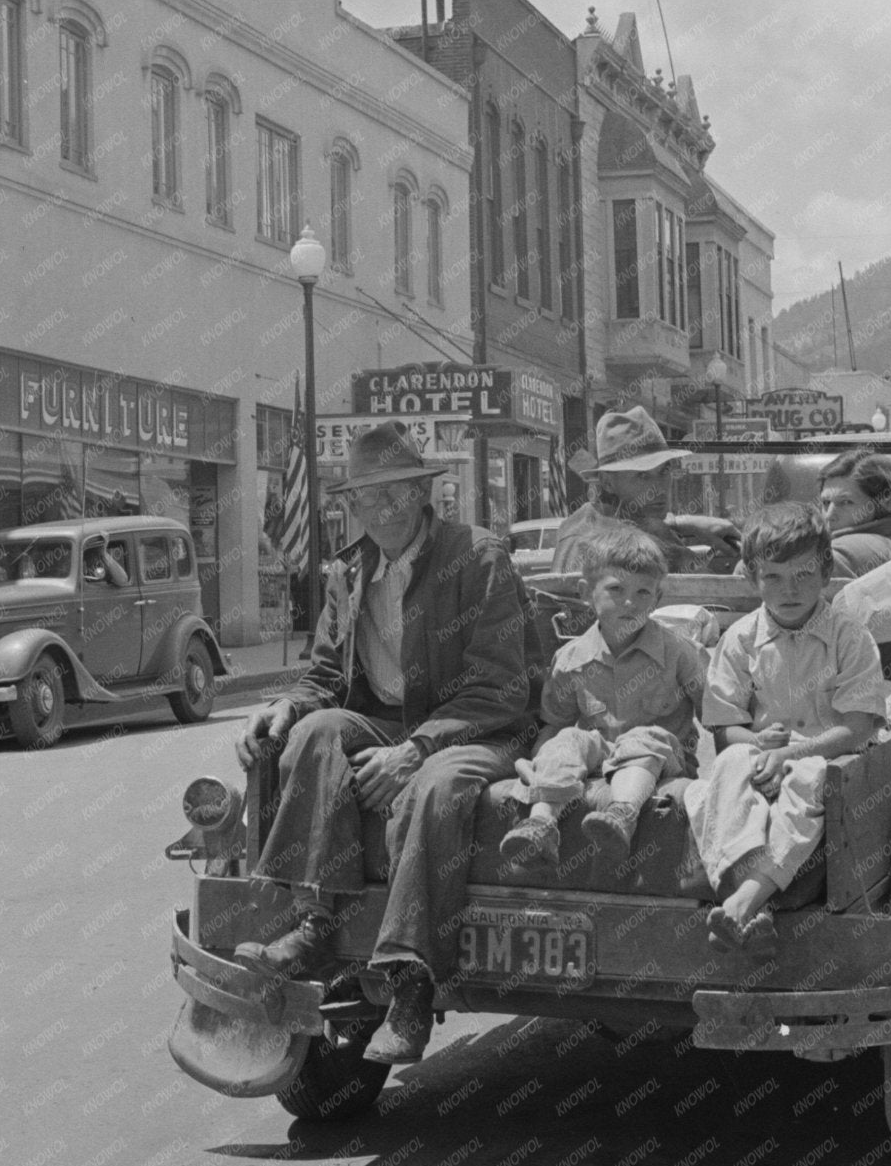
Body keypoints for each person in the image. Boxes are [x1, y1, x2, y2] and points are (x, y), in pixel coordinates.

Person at [233, 423, 532, 1068]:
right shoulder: (348, 570)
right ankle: (314, 922)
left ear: (422, 493)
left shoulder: (478, 557)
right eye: (365, 496)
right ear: (350, 504)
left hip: (479, 728)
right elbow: (324, 674)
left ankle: (411, 984)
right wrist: (288, 704)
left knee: (435, 785)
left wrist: (416, 749)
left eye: (394, 491)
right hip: (391, 723)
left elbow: (501, 689)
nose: (380, 507)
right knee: (314, 732)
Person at [687, 501, 887, 948]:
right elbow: (725, 730)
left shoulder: (849, 637)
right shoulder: (740, 639)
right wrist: (758, 741)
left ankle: (744, 901)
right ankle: (746, 900)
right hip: (762, 756)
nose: (789, 589)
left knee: (807, 780)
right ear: (751, 577)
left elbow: (858, 727)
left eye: (803, 574)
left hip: (827, 755)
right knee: (727, 769)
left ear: (826, 571)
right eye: (773, 577)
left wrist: (792, 754)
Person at [499, 531, 708, 884]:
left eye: (643, 592)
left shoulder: (678, 653)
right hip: (600, 758)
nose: (630, 603)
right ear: (585, 592)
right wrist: (542, 758)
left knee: (643, 737)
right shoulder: (571, 659)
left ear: (657, 598)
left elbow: (714, 716)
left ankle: (622, 815)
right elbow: (554, 723)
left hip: (661, 760)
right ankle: (541, 824)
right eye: (616, 589)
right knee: (567, 739)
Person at [549, 407, 700, 578]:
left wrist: (682, 523)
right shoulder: (640, 540)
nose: (658, 488)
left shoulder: (578, 522)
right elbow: (711, 585)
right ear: (608, 483)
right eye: (642, 475)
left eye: (664, 471)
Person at [815, 450, 891, 577]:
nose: (829, 515)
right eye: (826, 502)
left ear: (885, 504)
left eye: (846, 502)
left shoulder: (840, 554)